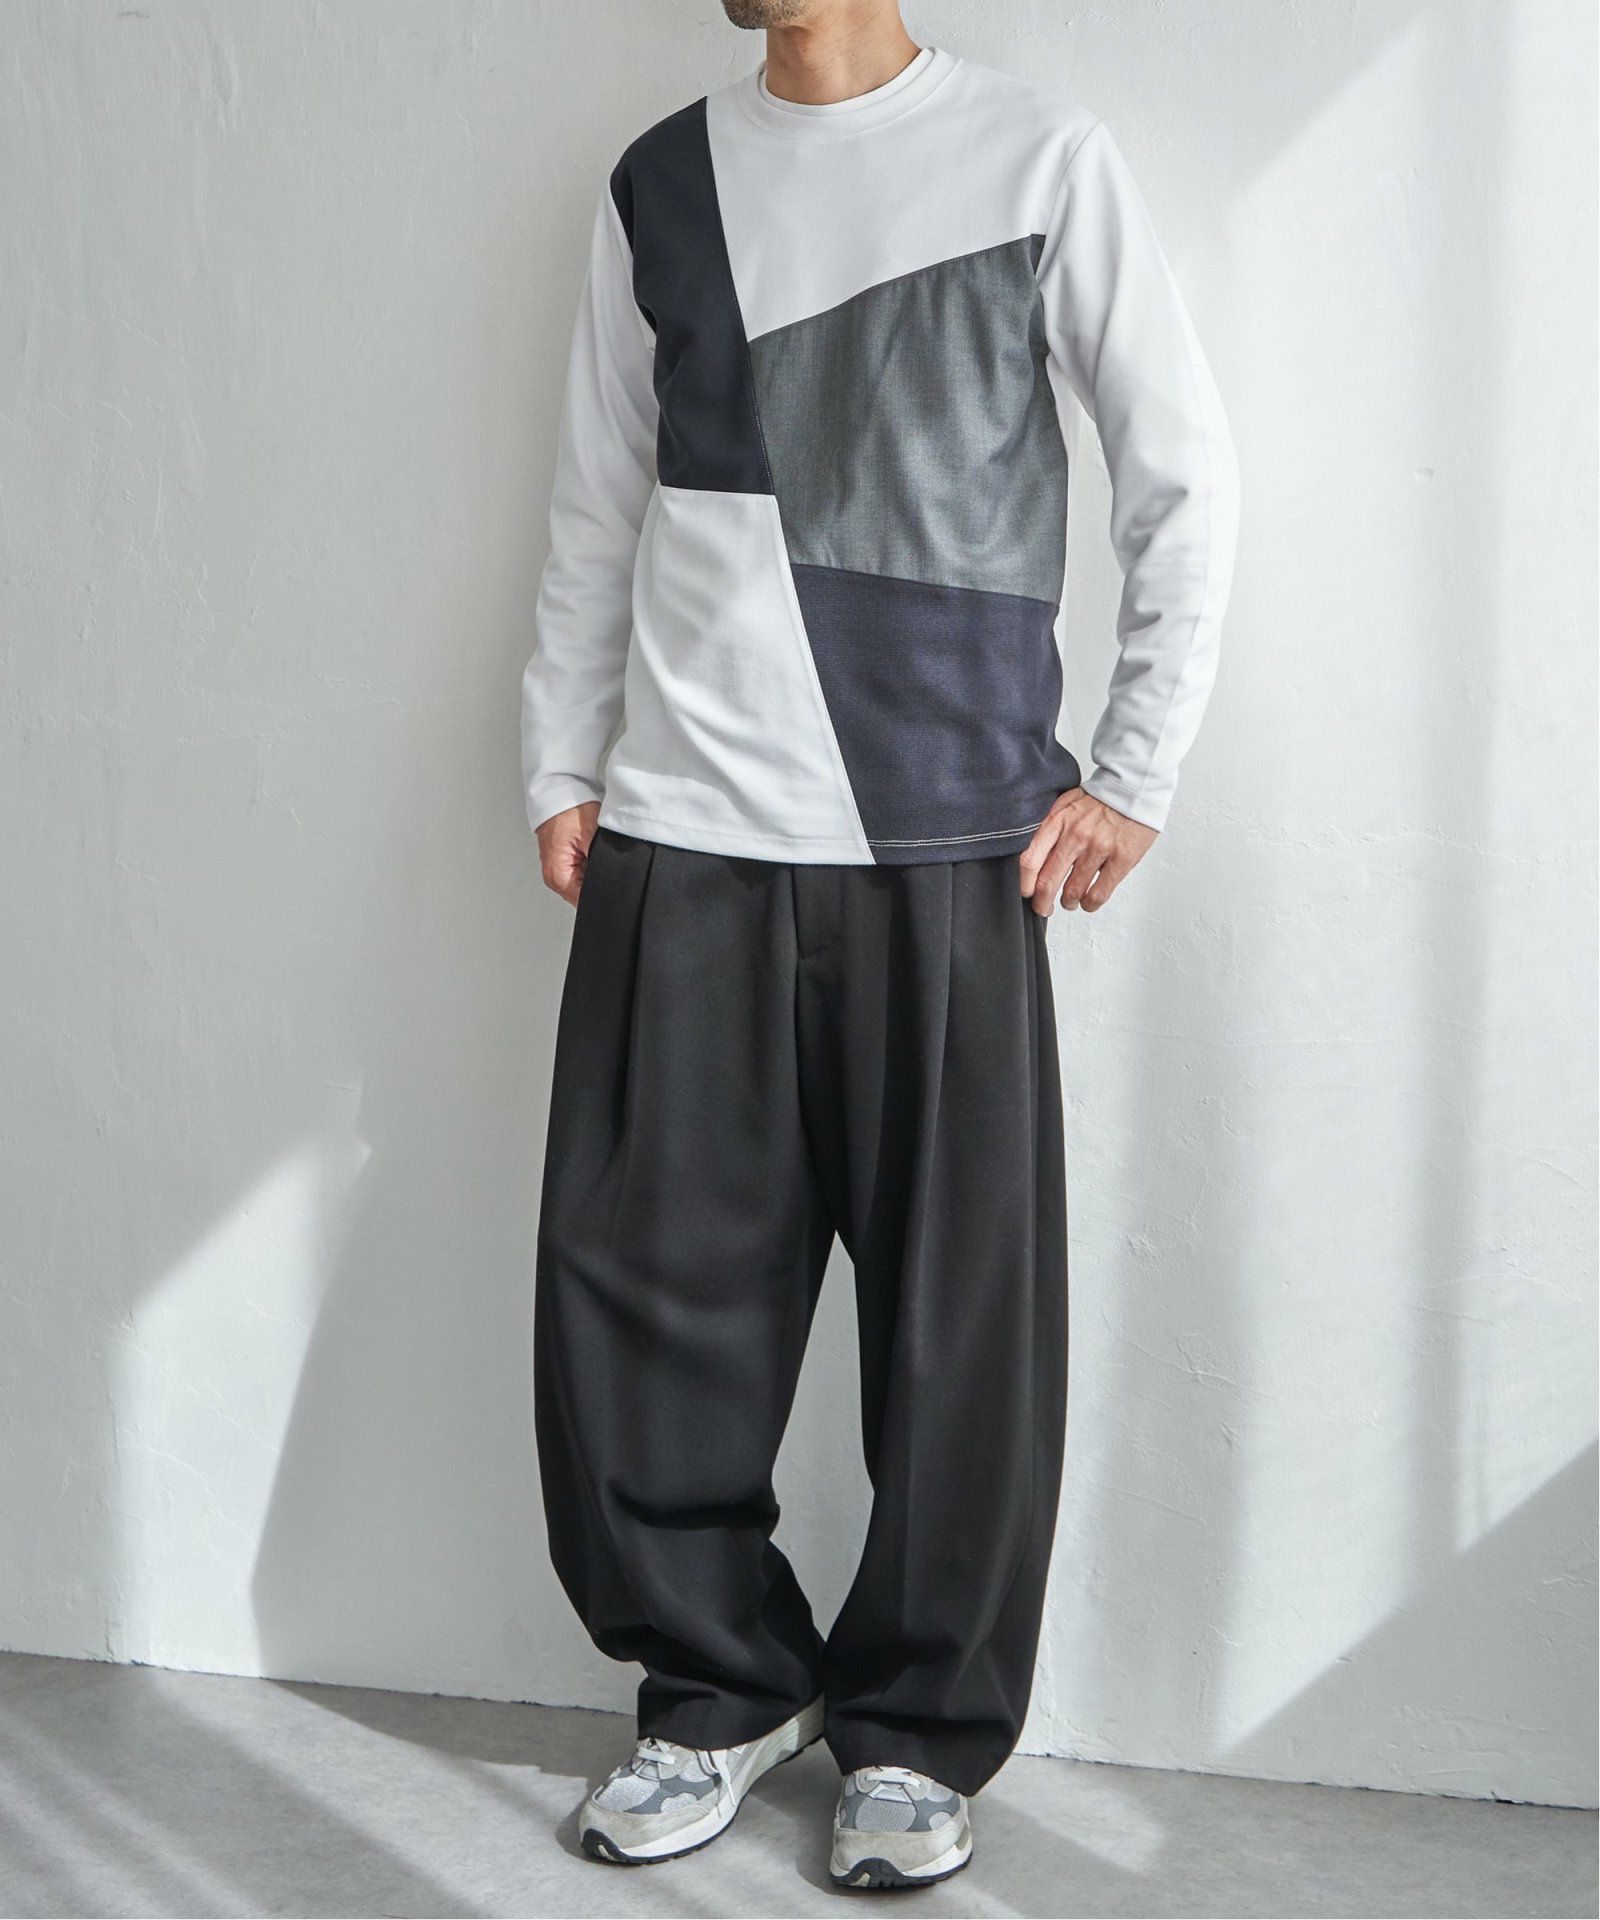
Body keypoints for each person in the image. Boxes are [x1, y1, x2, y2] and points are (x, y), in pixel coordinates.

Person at [521, 0, 1238, 1890]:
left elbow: (1183, 475)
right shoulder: (663, 181)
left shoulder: (1037, 162)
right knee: (636, 1304)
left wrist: (1138, 772)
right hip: (682, 830)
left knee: (960, 1328)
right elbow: (598, 494)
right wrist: (561, 753)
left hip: (947, 844)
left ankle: (919, 1732)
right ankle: (714, 1689)